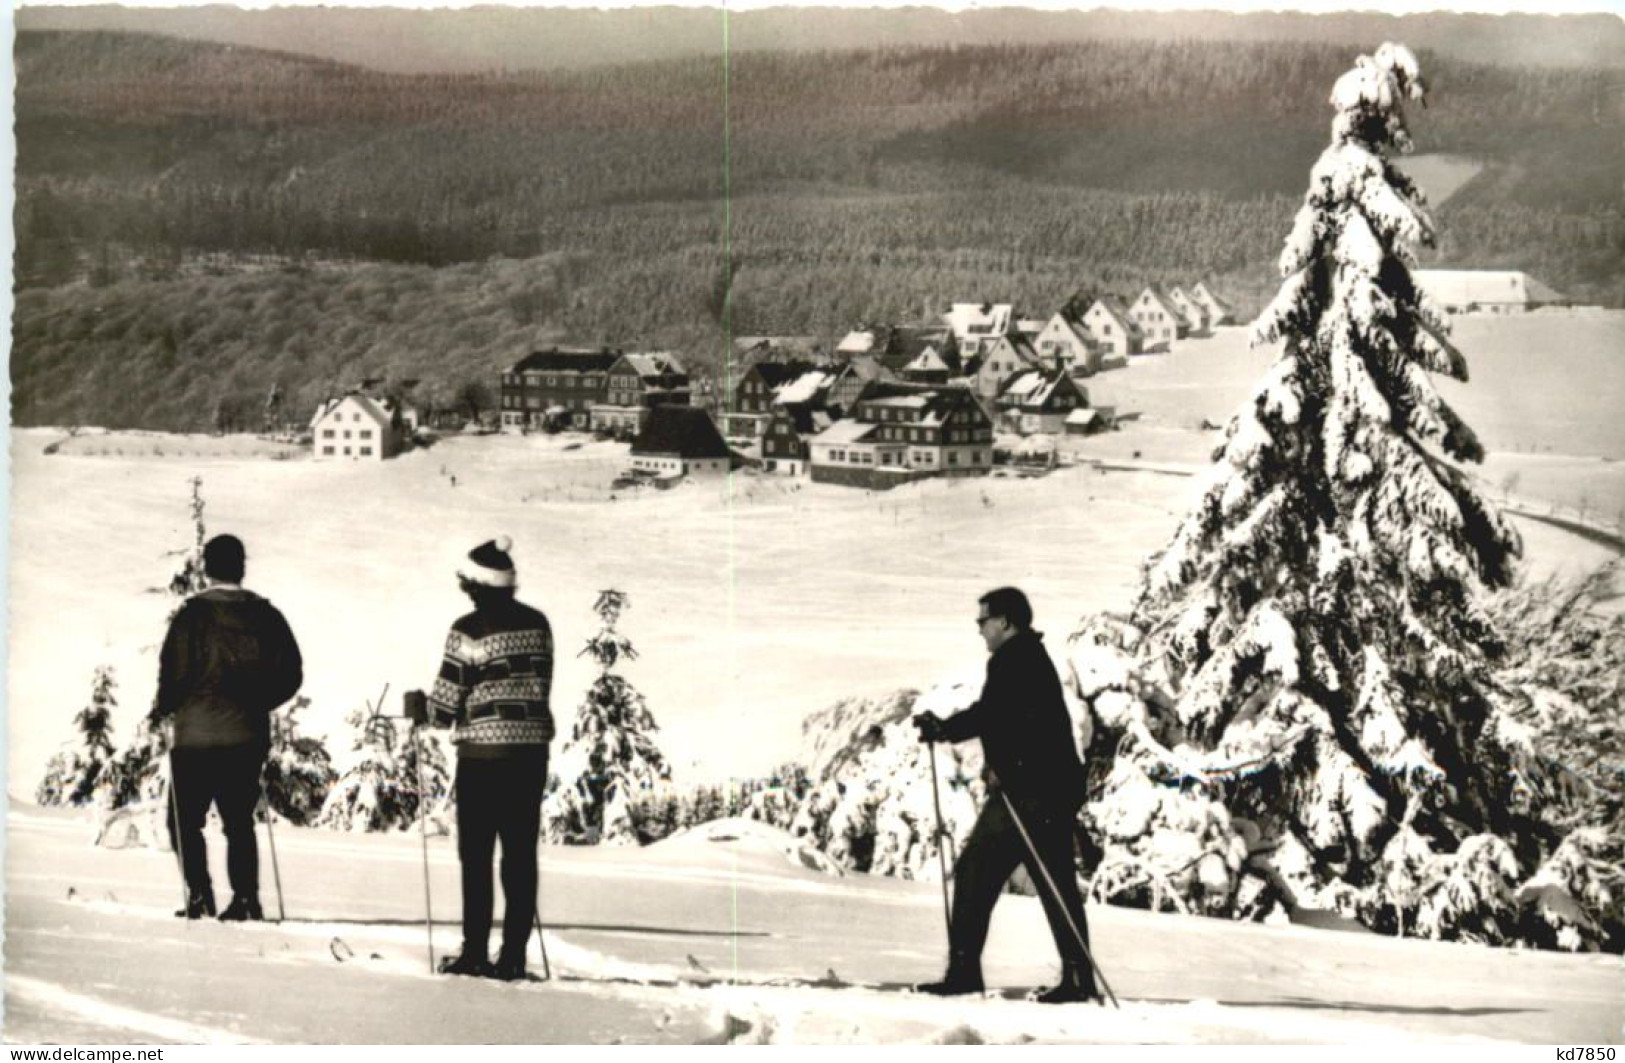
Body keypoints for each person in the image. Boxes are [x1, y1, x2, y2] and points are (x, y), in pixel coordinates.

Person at [911, 586, 1100, 1005]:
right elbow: (1008, 718)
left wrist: (944, 728)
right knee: (1054, 882)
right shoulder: (1027, 658)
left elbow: (991, 713)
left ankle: (964, 973)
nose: (979, 629)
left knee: (976, 869)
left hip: (1029, 791)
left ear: (1005, 621)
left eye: (984, 621)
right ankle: (1077, 977)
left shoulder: (1015, 660)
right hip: (1045, 788)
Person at [411, 536, 554, 982]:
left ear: (474, 584)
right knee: (519, 856)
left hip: (482, 755)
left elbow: (446, 704)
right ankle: (513, 957)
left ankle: (475, 952)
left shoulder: (468, 629)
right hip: (530, 752)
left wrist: (422, 709)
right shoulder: (538, 624)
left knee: (476, 854)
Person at [152, 534, 303, 921]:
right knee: (239, 821)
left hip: (195, 735)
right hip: (246, 734)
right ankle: (246, 899)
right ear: (242, 567)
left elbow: (173, 672)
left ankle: (200, 895)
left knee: (184, 820)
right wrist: (259, 703)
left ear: (207, 567)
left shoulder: (191, 617)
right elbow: (291, 673)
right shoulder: (267, 616)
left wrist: (164, 709)